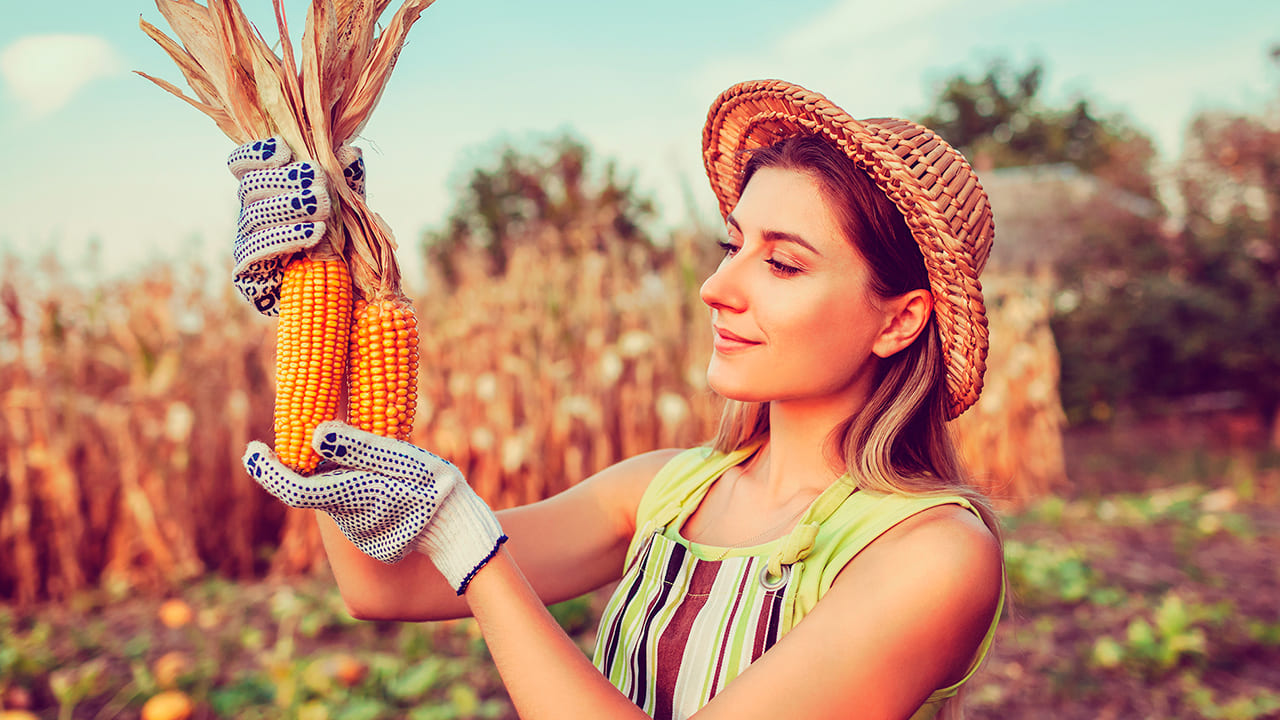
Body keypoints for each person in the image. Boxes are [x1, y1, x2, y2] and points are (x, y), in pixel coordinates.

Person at [229, 79, 1005, 720]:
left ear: (899, 320)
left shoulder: (932, 555)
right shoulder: (663, 491)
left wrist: (477, 554)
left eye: (784, 265)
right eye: (732, 245)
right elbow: (383, 585)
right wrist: (313, 298)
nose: (715, 288)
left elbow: (462, 570)